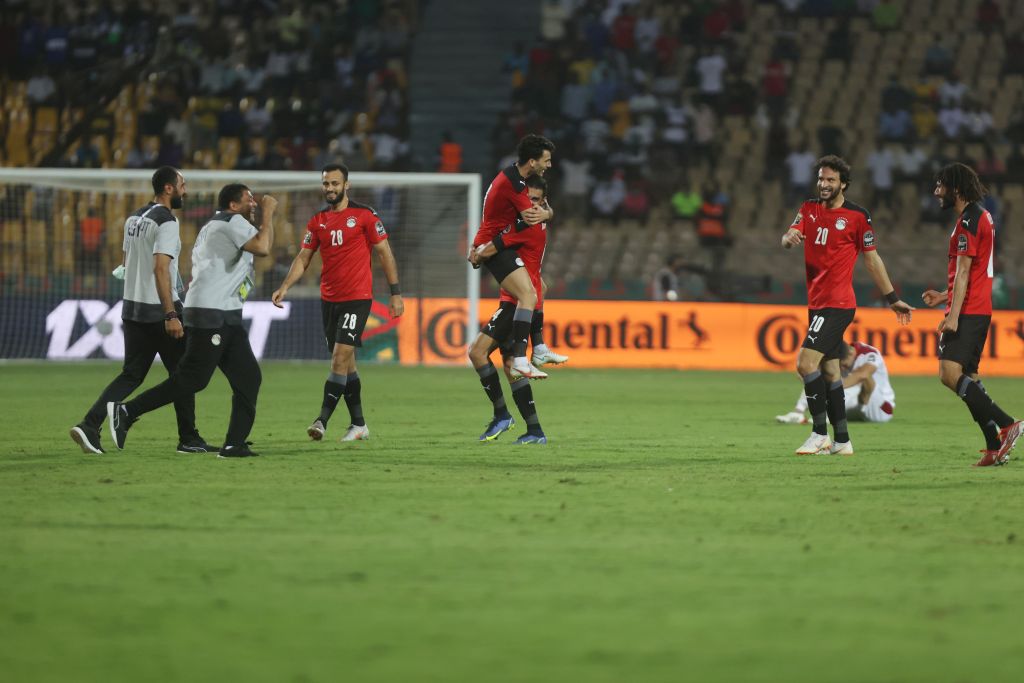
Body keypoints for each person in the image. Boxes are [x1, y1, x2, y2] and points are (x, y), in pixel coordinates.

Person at [107, 185, 277, 458]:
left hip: (224, 313)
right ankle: (126, 411)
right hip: (213, 313)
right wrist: (268, 214)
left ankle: (234, 444)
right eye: (249, 199)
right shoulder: (230, 222)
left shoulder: (218, 224)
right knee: (192, 379)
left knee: (248, 377)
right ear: (233, 205)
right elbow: (263, 247)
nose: (255, 203)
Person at [69, 166, 211, 455]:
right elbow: (160, 268)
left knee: (131, 374)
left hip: (131, 308)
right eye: (182, 185)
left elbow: (126, 263)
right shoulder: (167, 222)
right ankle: (189, 438)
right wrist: (171, 314)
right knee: (184, 374)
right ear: (169, 188)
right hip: (159, 312)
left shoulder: (134, 218)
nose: (186, 190)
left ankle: (89, 425)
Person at [781, 155, 913, 456]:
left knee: (804, 364)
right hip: (817, 303)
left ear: (843, 184)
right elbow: (788, 237)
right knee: (829, 372)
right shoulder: (808, 208)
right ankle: (842, 441)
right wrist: (789, 238)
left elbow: (872, 259)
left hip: (838, 304)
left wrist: (892, 298)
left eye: (830, 180)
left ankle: (818, 433)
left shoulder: (857, 216)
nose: (823, 184)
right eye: (821, 179)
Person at [272, 164, 404, 443]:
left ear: (347, 185)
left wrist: (395, 293)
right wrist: (285, 286)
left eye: (335, 183)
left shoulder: (365, 216)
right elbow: (303, 258)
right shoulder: (317, 221)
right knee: (347, 364)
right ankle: (359, 424)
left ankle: (322, 420)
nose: (330, 188)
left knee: (339, 357)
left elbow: (385, 254)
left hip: (357, 299)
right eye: (326, 184)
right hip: (329, 300)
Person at [923, 163, 1023, 467]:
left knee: (949, 374)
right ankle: (994, 446)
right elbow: (971, 270)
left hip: (968, 311)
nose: (936, 191)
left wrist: (952, 315)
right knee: (970, 380)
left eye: (941, 185)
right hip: (977, 306)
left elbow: (965, 270)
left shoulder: (968, 220)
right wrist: (944, 294)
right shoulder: (981, 216)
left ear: (955, 188)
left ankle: (1008, 424)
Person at [467, 175, 553, 444]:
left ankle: (502, 415)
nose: (532, 206)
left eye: (538, 201)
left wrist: (477, 252)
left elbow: (496, 246)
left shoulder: (526, 227)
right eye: (528, 200)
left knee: (477, 352)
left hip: (514, 305)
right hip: (515, 303)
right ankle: (535, 430)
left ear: (544, 202)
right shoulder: (525, 222)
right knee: (508, 366)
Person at [470, 134, 555, 380]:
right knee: (528, 294)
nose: (548, 165)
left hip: (493, 243)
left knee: (538, 288)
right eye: (546, 160)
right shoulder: (514, 184)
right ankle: (521, 358)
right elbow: (531, 218)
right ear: (532, 161)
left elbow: (537, 214)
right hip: (492, 246)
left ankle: (534, 351)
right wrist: (547, 214)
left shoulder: (512, 176)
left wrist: (547, 213)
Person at [776, 341, 895, 425]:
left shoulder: (869, 353)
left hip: (880, 408)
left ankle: (828, 413)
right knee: (820, 376)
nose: (842, 368)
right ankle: (798, 413)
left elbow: (862, 375)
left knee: (857, 377)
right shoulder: (842, 355)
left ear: (850, 354)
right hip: (854, 407)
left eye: (843, 364)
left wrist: (829, 387)